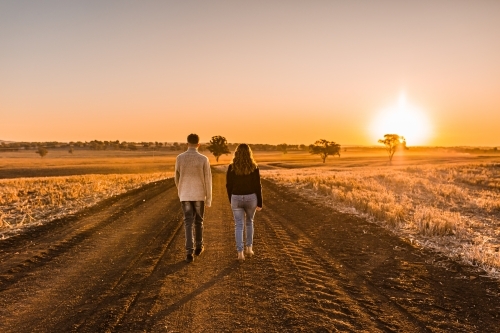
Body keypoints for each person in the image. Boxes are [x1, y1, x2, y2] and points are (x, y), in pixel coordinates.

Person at [175, 134, 212, 263]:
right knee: (199, 222)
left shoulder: (179, 158)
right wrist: (208, 198)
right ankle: (199, 247)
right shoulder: (203, 159)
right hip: (199, 195)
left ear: (187, 143)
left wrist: (181, 192)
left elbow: (177, 178)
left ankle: (189, 252)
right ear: (198, 144)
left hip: (185, 195)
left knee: (188, 223)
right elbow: (208, 180)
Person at [226, 144, 263, 260]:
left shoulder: (231, 167)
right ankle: (249, 249)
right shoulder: (254, 167)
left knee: (239, 225)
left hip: (236, 198)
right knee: (249, 222)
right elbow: (258, 186)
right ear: (249, 153)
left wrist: (231, 199)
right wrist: (260, 202)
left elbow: (228, 186)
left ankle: (240, 253)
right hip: (251, 198)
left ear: (236, 153)